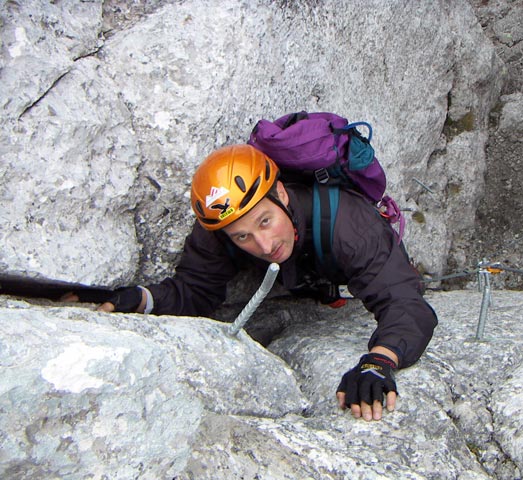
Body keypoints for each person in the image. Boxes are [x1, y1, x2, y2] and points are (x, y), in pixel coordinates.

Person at [68, 144, 438, 421]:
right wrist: (142, 298)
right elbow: (194, 291)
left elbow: (404, 302)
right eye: (242, 237)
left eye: (265, 222)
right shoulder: (220, 227)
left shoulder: (349, 224)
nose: (263, 246)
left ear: (279, 193)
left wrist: (378, 361)